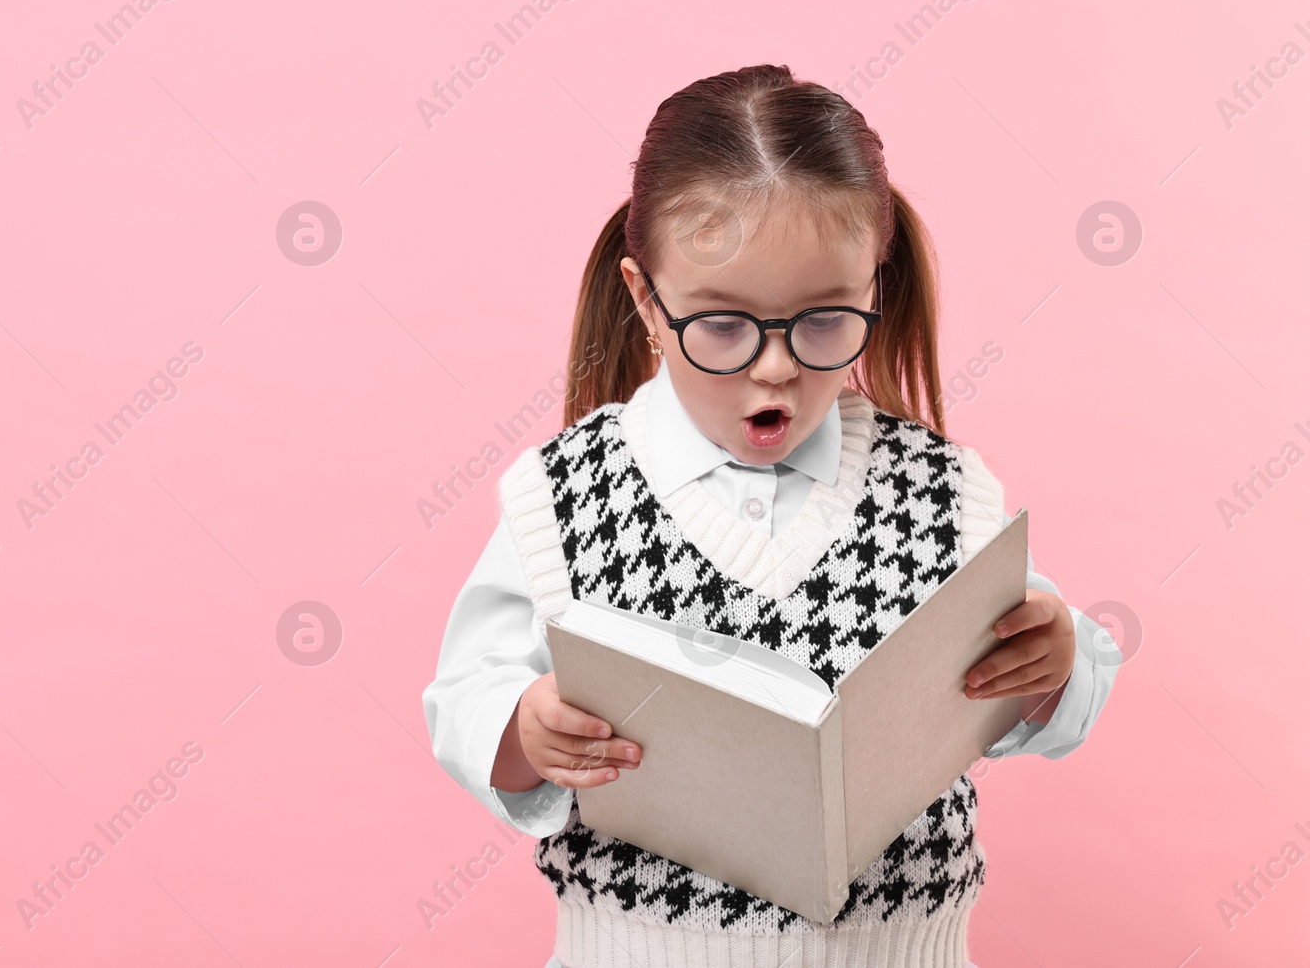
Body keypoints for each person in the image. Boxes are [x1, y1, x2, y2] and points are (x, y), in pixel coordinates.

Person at [421, 64, 1119, 968]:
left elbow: (1069, 676)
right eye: (724, 325)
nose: (777, 368)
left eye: (825, 320)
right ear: (647, 300)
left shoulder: (942, 492)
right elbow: (464, 702)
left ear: (875, 286)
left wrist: (1053, 664)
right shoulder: (566, 492)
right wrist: (526, 726)